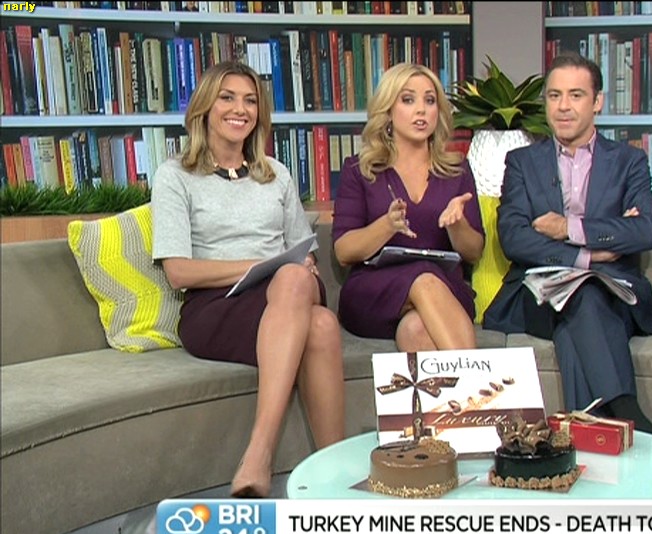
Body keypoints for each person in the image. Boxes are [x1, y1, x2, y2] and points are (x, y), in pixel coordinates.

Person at [151, 61, 346, 499]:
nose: (240, 109)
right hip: (216, 306)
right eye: (228, 98)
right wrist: (262, 263)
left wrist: (297, 263)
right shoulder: (176, 176)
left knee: (295, 280)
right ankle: (318, 471)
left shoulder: (275, 173)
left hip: (286, 291)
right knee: (320, 325)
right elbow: (178, 271)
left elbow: (304, 252)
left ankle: (267, 458)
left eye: (250, 100)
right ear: (205, 107)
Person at [482, 52, 652, 434]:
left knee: (582, 307)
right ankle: (627, 412)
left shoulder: (629, 160)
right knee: (586, 296)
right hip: (538, 294)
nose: (563, 106)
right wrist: (590, 256)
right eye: (554, 96)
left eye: (576, 95)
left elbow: (646, 230)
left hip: (613, 293)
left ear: (597, 102)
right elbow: (514, 237)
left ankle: (585, 433)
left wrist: (570, 228)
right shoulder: (521, 161)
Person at [332, 63, 484, 351]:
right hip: (375, 290)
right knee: (423, 280)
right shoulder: (359, 170)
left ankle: (457, 383)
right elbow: (344, 252)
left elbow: (473, 252)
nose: (421, 110)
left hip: (444, 288)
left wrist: (457, 225)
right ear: (388, 110)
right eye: (408, 100)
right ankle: (475, 379)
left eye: (430, 100)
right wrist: (386, 226)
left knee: (417, 328)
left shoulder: (457, 170)